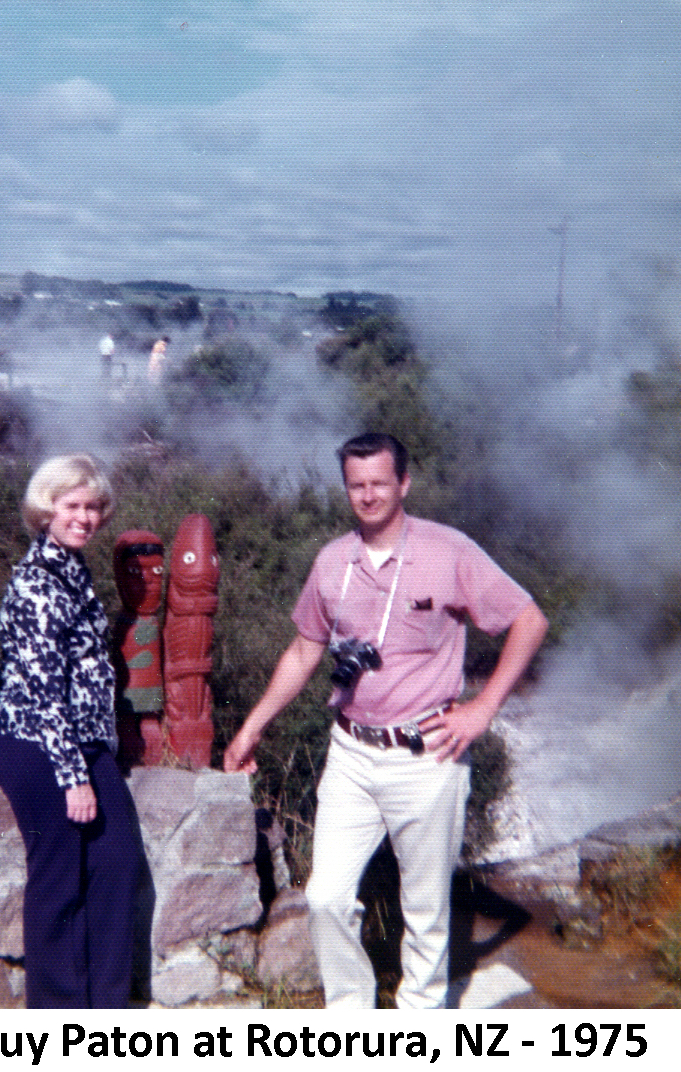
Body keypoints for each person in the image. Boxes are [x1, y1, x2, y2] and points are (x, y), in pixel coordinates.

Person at [224, 432, 548, 1008]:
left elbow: (529, 620)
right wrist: (252, 726)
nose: (368, 495)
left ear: (403, 483)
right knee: (325, 896)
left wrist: (481, 710)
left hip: (427, 755)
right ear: (346, 488)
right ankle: (350, 1019)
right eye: (356, 485)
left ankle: (418, 1020)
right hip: (350, 750)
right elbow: (303, 652)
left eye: (379, 483)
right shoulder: (331, 561)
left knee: (425, 909)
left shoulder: (449, 551)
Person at [0, 453, 142, 1008]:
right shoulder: (35, 583)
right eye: (72, 505)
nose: (84, 516)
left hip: (80, 742)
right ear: (46, 508)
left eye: (93, 506)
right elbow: (42, 689)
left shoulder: (72, 570)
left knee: (117, 861)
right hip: (36, 746)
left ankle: (107, 1010)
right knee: (59, 880)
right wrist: (74, 778)